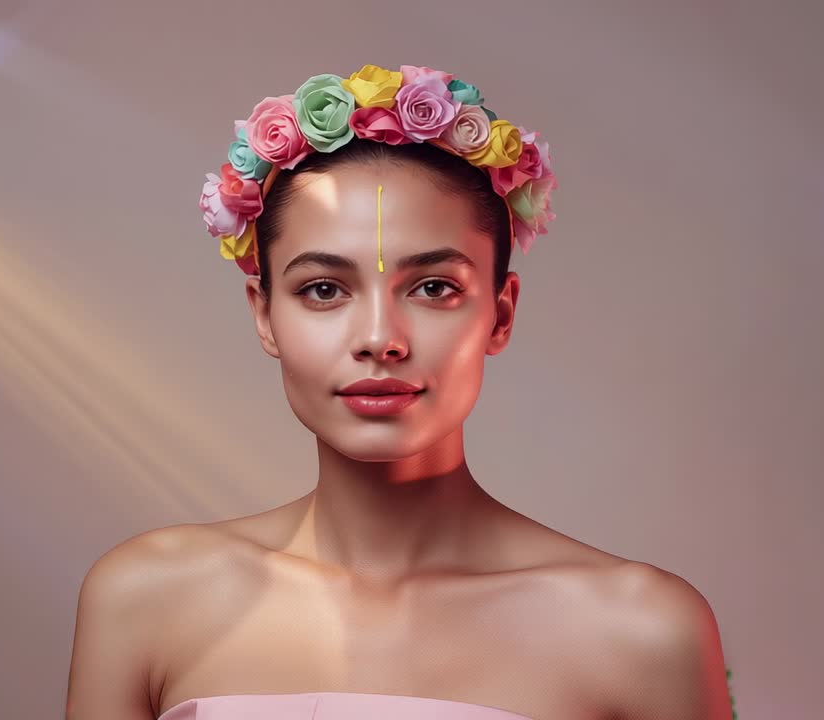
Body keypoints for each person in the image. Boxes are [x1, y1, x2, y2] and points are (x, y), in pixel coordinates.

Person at [65, 64, 732, 720]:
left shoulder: (642, 632)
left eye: (434, 287)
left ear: (500, 315)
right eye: (323, 290)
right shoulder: (144, 600)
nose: (380, 339)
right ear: (264, 315)